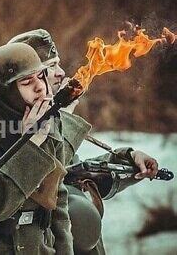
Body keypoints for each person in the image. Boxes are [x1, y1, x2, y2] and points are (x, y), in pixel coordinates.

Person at [8, 29, 159, 254]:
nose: (61, 73)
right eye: (49, 68)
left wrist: (128, 159)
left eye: (58, 64)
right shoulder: (9, 130)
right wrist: (66, 121)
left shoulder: (50, 120)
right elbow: (49, 181)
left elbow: (74, 175)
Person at [0, 42, 91, 255]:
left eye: (41, 77)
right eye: (26, 82)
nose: (40, 87)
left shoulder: (47, 123)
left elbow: (57, 203)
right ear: (6, 92)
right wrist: (30, 143)